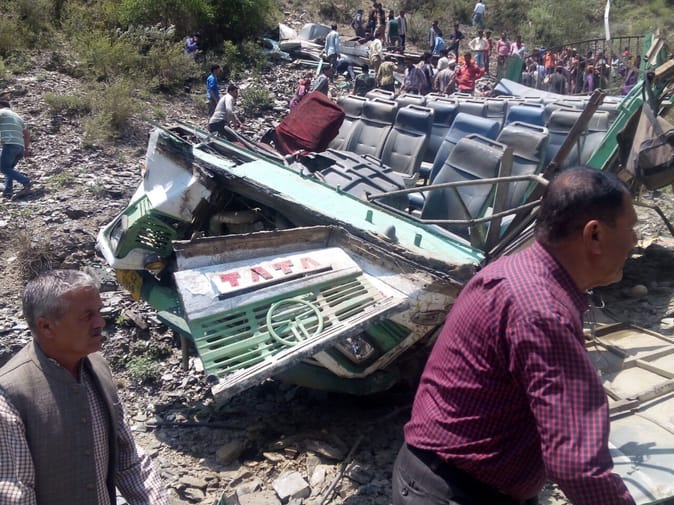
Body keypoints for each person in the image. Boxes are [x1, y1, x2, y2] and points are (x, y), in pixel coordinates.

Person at [392, 167, 638, 505]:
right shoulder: (541, 310)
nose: (635, 240)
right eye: (631, 227)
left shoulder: (517, 271)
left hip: (448, 478)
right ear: (593, 234)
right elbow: (578, 466)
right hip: (453, 492)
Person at [0, 269, 170, 505]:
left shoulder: (97, 366)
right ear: (46, 327)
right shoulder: (11, 395)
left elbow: (128, 459)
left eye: (99, 312)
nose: (100, 322)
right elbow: (17, 496)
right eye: (87, 316)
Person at [0, 100, 32, 200]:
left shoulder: (2, 112)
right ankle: (7, 192)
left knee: (4, 168)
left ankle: (26, 181)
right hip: (20, 147)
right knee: (9, 169)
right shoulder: (18, 117)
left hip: (9, 145)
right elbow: (27, 134)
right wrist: (26, 149)